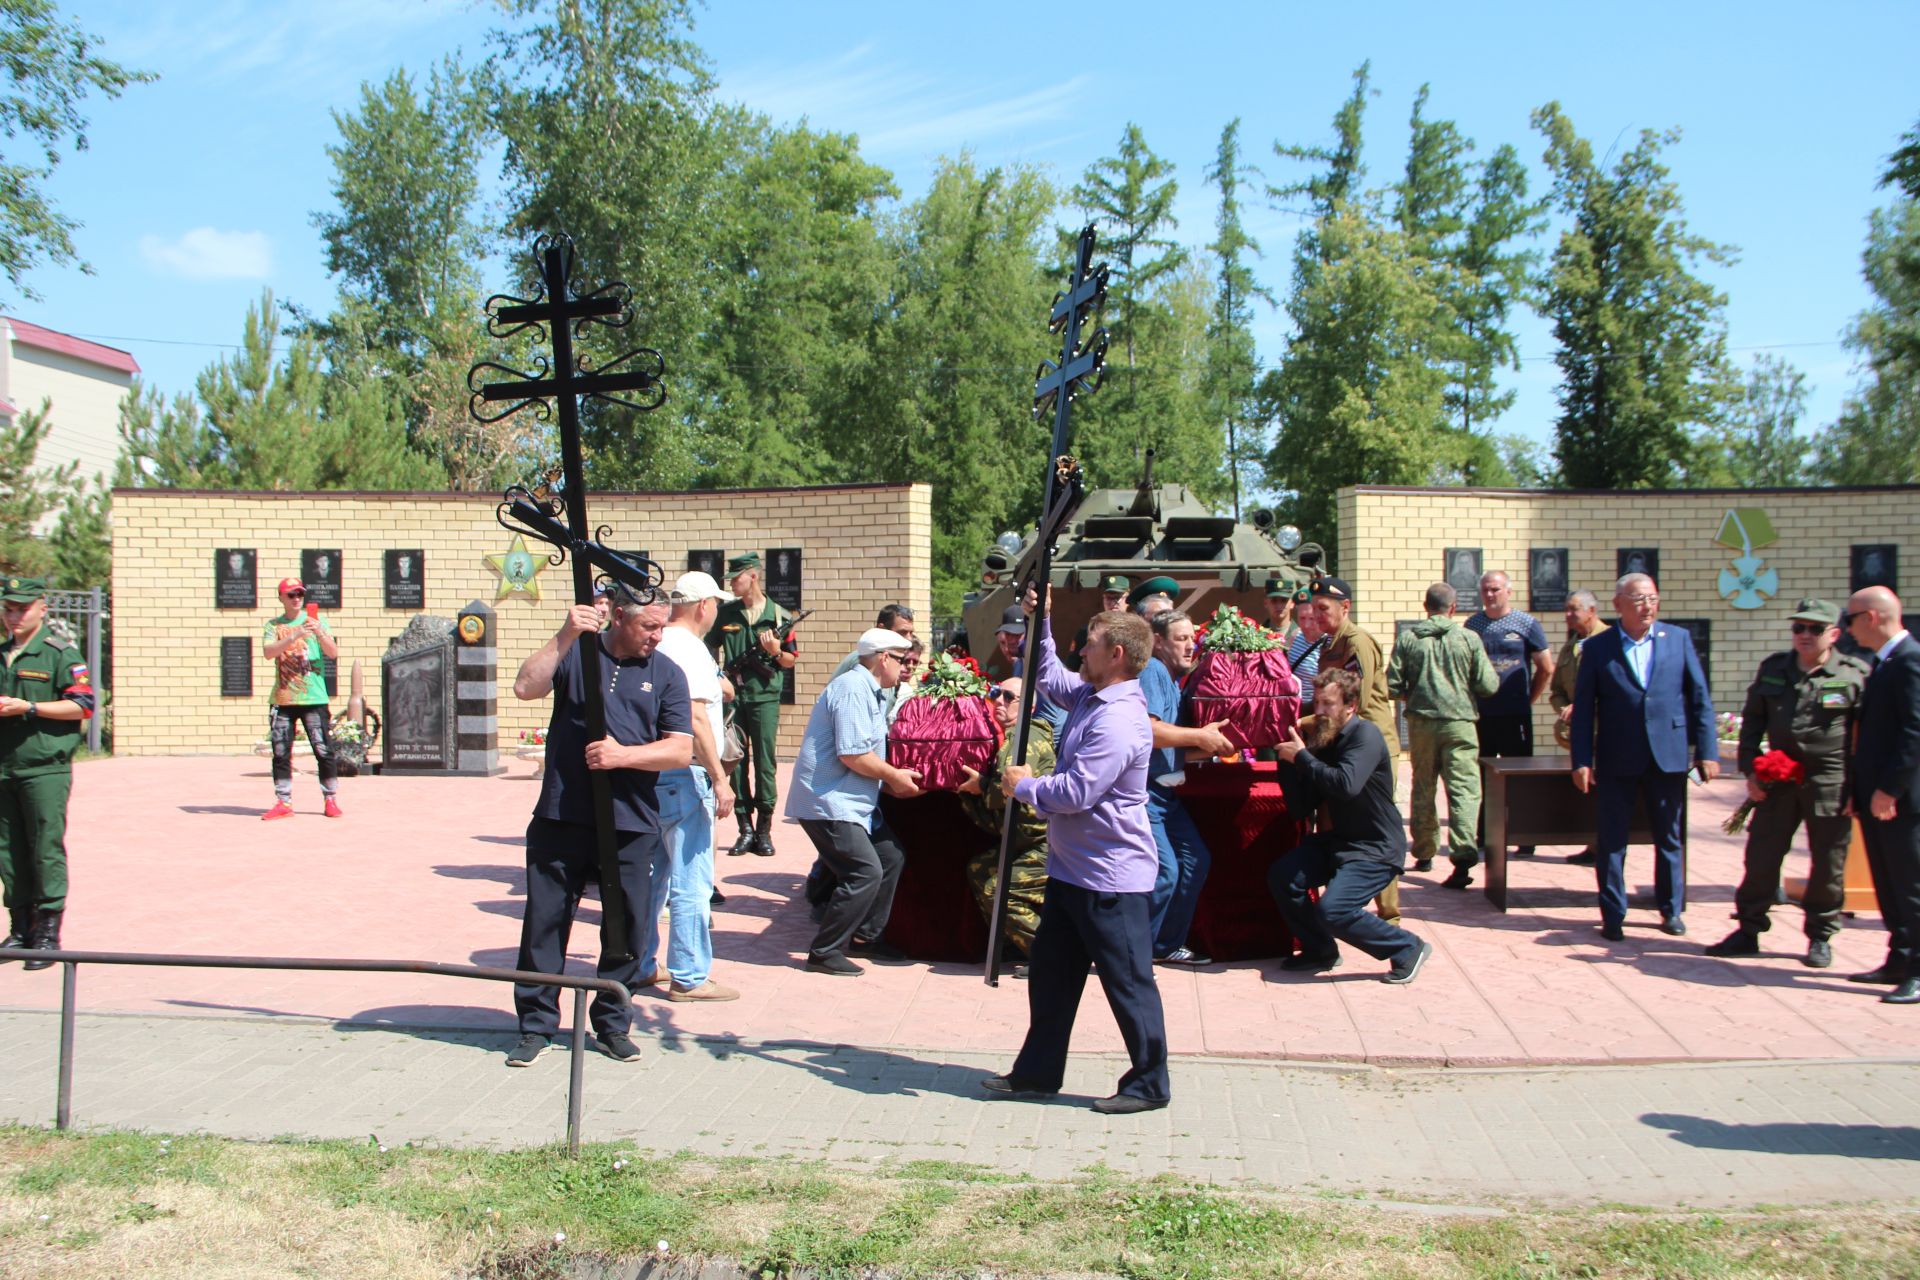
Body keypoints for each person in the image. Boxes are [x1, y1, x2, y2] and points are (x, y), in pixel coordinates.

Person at [983, 591, 1170, 1114]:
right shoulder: (1092, 696)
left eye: (1088, 645)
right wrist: (1039, 621)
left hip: (1111, 878)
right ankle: (1037, 1074)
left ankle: (1149, 1083)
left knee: (1128, 983)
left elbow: (1076, 793)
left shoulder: (1118, 719)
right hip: (1073, 873)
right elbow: (1049, 677)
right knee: (1052, 976)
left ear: (1116, 655)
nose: (1079, 652)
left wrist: (1024, 785)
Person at [507, 590, 691, 1067]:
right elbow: (525, 687)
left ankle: (612, 1025)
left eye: (663, 626)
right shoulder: (578, 655)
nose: (658, 635)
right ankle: (536, 1026)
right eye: (650, 625)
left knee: (626, 927)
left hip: (630, 820)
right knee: (545, 924)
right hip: (561, 814)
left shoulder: (666, 673)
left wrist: (624, 756)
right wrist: (567, 633)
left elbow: (679, 751)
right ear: (620, 619)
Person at [1705, 600, 1867, 969]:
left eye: (1815, 628)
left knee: (1829, 860)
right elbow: (1752, 724)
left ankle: (1820, 935)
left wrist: (1858, 786)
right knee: (1762, 855)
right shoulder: (1775, 669)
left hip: (1830, 777)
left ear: (1834, 634)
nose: (1805, 635)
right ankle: (1749, 929)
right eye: (1799, 628)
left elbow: (1865, 735)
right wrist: (1751, 771)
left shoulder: (1853, 674)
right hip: (1778, 777)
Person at [1568, 574, 1719, 941]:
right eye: (1638, 599)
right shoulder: (1599, 648)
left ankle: (1671, 909)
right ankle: (1613, 914)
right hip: (1617, 757)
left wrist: (1707, 751)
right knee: (1612, 840)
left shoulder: (1678, 640)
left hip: (1666, 756)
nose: (1647, 606)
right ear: (1618, 604)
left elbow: (1699, 699)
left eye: (1652, 598)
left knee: (1669, 838)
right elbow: (1585, 709)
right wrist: (1581, 760)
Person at [1268, 669, 1434, 983]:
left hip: (1374, 847)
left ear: (1350, 706)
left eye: (1328, 704)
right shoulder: (1323, 739)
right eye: (1316, 703)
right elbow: (1301, 807)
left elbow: (1346, 784)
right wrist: (1286, 760)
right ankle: (1320, 950)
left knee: (1334, 910)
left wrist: (1302, 758)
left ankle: (1407, 947)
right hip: (1339, 842)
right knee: (1283, 876)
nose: (1318, 712)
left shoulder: (1365, 736)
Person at [787, 628, 923, 976]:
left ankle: (865, 938)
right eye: (903, 659)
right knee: (864, 871)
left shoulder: (871, 690)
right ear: (883, 658)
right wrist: (893, 776)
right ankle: (824, 951)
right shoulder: (851, 689)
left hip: (850, 801)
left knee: (890, 856)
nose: (906, 667)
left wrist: (890, 780)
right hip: (828, 801)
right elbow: (852, 754)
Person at [647, 571, 742, 1002]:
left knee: (654, 880)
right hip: (685, 774)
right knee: (692, 879)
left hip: (651, 773)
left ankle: (644, 961)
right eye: (716, 604)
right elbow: (696, 716)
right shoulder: (689, 648)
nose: (717, 611)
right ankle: (689, 974)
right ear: (704, 605)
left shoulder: (656, 640)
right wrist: (720, 779)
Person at [0, 577, 94, 968]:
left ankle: (48, 932)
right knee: (8, 851)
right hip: (4, 767)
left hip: (44, 768)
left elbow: (83, 705)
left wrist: (30, 708)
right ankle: (20, 927)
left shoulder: (59, 653)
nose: (15, 616)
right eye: (9, 608)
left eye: (23, 608)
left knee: (44, 847)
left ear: (43, 607)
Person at [1386, 583, 1499, 885]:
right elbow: (1488, 685)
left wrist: (1416, 693)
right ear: (1452, 608)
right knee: (1463, 790)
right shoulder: (1469, 639)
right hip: (1460, 723)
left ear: (1426, 607)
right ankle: (1463, 859)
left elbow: (1392, 685)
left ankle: (1424, 852)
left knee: (1423, 786)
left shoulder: (1409, 639)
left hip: (1422, 724)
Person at [1141, 609, 1233, 965]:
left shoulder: (1172, 677)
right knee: (1165, 873)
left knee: (1195, 860)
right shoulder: (1152, 669)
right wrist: (1200, 736)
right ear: (1158, 642)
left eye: (1192, 638)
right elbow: (1149, 731)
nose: (1190, 645)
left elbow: (1175, 746)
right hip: (1145, 793)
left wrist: (1218, 744)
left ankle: (1165, 946)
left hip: (1166, 794)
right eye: (1181, 639)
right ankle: (1133, 956)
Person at [1843, 586, 1920, 1002]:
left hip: (1901, 801)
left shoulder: (1910, 660)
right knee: (1888, 884)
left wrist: (1890, 789)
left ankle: (1918, 968)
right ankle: (1900, 956)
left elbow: (1914, 731)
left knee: (1911, 885)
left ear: (1871, 617)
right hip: (1877, 796)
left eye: (1851, 619)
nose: (1848, 628)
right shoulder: (1885, 661)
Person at [1311, 576, 1401, 923]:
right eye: (1314, 610)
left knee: (1374, 830)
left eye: (1324, 609)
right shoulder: (1329, 643)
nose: (1317, 616)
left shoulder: (1356, 641)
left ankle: (1389, 916)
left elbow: (1355, 703)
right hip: (1340, 747)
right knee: (1339, 827)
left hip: (1368, 747)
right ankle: (1344, 904)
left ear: (1344, 607)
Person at [957, 675, 1054, 971]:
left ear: (1028, 707)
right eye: (997, 693)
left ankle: (1050, 959)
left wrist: (980, 785)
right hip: (1025, 841)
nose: (999, 700)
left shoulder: (1024, 740)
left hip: (1045, 845)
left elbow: (1007, 788)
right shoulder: (1013, 736)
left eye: (1009, 697)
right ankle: (1013, 944)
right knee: (979, 870)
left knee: (996, 889)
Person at [707, 552, 799, 856]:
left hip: (764, 699)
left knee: (765, 764)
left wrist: (774, 651)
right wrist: (718, 677)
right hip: (733, 700)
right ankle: (744, 829)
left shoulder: (779, 616)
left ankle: (764, 830)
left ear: (753, 576)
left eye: (736, 578)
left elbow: (789, 661)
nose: (732, 584)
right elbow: (707, 649)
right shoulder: (727, 614)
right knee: (735, 762)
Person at [1465, 571, 1553, 859]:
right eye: (1486, 590)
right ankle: (1484, 836)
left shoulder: (1526, 624)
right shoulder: (1473, 624)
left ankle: (1524, 836)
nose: (1490, 595)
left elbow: (1546, 667)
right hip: (1483, 714)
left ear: (1508, 592)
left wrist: (1529, 700)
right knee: (1483, 775)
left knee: (1519, 776)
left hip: (1515, 714)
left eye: (1496, 589)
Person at [260, 578, 341, 821]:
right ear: (282, 598)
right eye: (291, 595)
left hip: (313, 698)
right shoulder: (274, 625)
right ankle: (283, 801)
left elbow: (333, 653)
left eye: (300, 594)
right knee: (281, 751)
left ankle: (331, 798)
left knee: (323, 749)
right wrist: (293, 635)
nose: (296, 599)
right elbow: (268, 652)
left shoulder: (317, 621)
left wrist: (319, 632)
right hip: (283, 698)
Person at [1549, 590, 1609, 865]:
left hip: (1607, 730)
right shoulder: (1570, 646)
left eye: (1574, 610)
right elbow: (1557, 690)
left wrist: (1584, 707)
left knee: (1605, 791)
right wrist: (1564, 707)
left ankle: (1605, 845)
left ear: (1591, 611)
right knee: (1585, 788)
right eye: (1567, 609)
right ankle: (1592, 843)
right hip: (1579, 735)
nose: (1568, 615)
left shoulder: (1610, 641)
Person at [1068, 576, 1129, 671]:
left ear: (1127, 599)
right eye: (1108, 598)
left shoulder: (1136, 632)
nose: (1113, 603)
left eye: (1117, 598)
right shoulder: (1087, 631)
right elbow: (1072, 666)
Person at [1285, 586, 1325, 719]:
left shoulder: (1328, 643)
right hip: (1294, 710)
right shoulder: (1295, 637)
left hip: (1316, 712)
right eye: (1302, 618)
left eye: (1312, 619)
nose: (1306, 625)